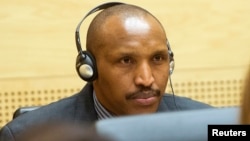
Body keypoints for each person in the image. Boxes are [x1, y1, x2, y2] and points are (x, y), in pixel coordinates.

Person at [0, 2, 212, 141]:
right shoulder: (22, 136)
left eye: (158, 58)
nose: (146, 79)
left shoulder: (210, 125)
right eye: (126, 60)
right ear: (89, 68)